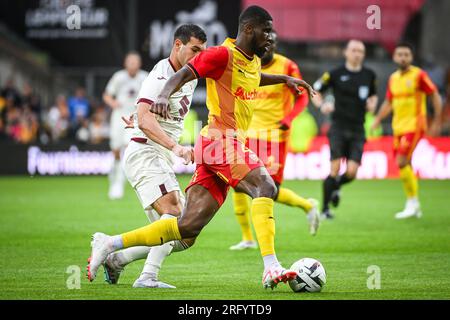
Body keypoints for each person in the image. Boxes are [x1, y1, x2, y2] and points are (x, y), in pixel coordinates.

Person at [87, 5, 315, 290]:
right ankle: (271, 266)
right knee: (265, 186)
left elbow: (254, 79)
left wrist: (285, 79)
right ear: (248, 29)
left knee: (186, 229)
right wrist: (161, 98)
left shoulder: (251, 60)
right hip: (220, 141)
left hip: (213, 146)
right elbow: (180, 74)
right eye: (266, 30)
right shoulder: (221, 54)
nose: (271, 36)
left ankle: (111, 245)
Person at [100, 24, 207, 289]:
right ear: (177, 45)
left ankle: (118, 259)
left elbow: (147, 112)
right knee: (173, 211)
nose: (199, 56)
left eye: (202, 51)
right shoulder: (161, 75)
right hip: (146, 151)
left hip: (158, 154)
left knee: (184, 234)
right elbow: (147, 119)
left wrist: (138, 116)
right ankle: (147, 277)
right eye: (195, 49)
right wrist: (176, 147)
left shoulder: (190, 73)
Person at [229, 31, 319, 251]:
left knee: (271, 189)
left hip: (274, 137)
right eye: (265, 42)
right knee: (237, 185)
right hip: (247, 135)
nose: (268, 46)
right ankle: (247, 238)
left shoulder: (287, 67)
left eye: (272, 42)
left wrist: (288, 118)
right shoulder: (249, 64)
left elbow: (303, 96)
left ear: (276, 45)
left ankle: (307, 206)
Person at [371, 42, 442, 219]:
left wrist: (437, 120)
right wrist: (377, 120)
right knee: (405, 164)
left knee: (402, 160)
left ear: (411, 57)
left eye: (406, 55)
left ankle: (412, 203)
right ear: (394, 57)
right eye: (400, 54)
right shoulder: (393, 78)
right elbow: (389, 102)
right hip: (398, 126)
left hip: (415, 125)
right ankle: (414, 203)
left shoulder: (419, 75)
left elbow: (434, 94)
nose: (403, 58)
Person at [312, 39, 378, 219]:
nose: (357, 54)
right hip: (338, 128)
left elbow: (373, 96)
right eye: (354, 50)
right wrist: (322, 105)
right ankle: (325, 209)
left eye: (361, 51)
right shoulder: (334, 74)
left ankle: (336, 187)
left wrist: (372, 103)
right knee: (334, 169)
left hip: (358, 128)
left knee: (351, 172)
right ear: (346, 53)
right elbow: (315, 90)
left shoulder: (369, 75)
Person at [103, 52, 148, 200]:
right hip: (119, 115)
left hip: (135, 116)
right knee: (116, 148)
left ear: (139, 64)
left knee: (129, 146)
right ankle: (115, 170)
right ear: (125, 63)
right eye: (130, 62)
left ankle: (118, 182)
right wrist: (113, 103)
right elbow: (107, 95)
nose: (133, 64)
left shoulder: (145, 77)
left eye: (135, 62)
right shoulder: (119, 77)